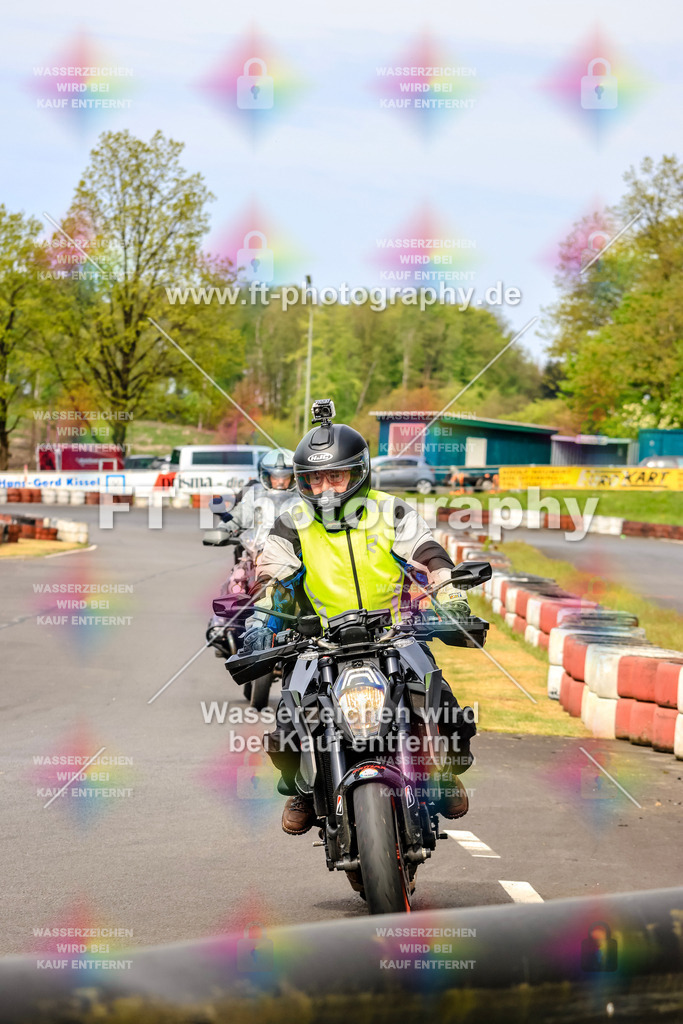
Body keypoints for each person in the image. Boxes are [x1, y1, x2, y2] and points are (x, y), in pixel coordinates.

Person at [241, 401, 477, 836]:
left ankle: (444, 774)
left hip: (393, 633)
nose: (326, 488)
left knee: (441, 700)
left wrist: (451, 597)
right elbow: (273, 582)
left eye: (336, 476)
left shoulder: (391, 511)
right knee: (290, 715)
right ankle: (304, 791)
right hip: (319, 640)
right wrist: (260, 624)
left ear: (359, 473)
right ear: (301, 481)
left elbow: (431, 556)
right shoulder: (290, 522)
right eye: (314, 479)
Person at [205, 449, 296, 653]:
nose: (280, 482)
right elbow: (237, 517)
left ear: (294, 477)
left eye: (285, 477)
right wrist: (224, 529)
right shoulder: (254, 496)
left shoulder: (302, 499)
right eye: (275, 477)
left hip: (291, 557)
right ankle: (223, 625)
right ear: (266, 476)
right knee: (236, 579)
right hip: (257, 553)